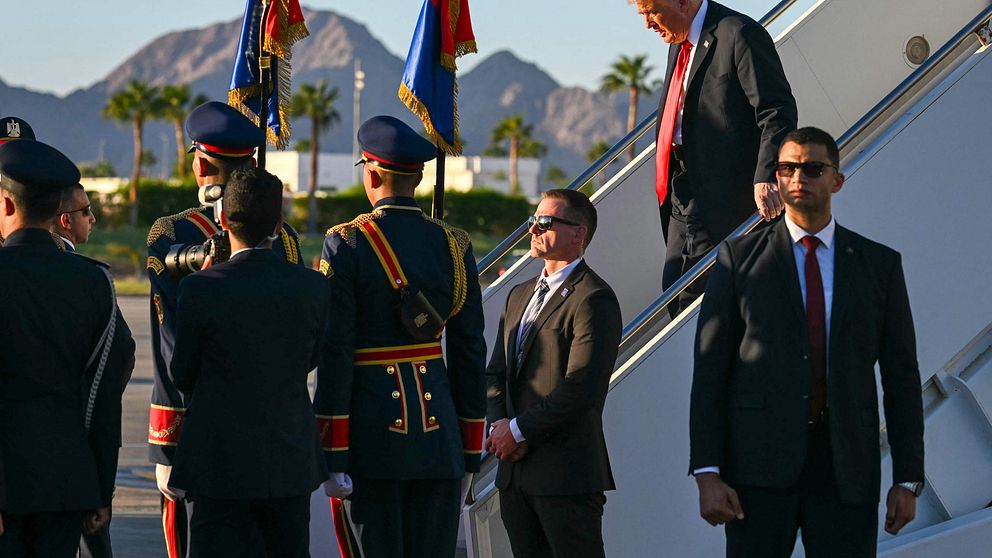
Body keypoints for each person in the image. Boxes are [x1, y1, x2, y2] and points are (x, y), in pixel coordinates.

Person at [689, 127, 925, 557]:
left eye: (813, 168)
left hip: (846, 470)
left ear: (837, 180)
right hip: (757, 470)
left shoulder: (878, 265)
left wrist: (907, 478)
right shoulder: (738, 260)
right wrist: (707, 472)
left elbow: (901, 377)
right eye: (787, 168)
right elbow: (710, 371)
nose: (799, 178)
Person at [313, 115, 486, 558]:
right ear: (420, 177)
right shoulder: (454, 243)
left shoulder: (346, 242)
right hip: (440, 440)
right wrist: (469, 450)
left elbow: (336, 350)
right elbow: (469, 350)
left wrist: (333, 451)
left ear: (371, 175)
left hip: (371, 439)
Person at [146, 100, 304, 558]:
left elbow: (171, 343)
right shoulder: (285, 238)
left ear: (200, 164)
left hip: (203, 435)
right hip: (278, 436)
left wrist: (166, 440)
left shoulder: (171, 235)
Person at [166, 167, 329, 557]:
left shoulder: (199, 288)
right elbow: (312, 357)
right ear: (279, 224)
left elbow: (183, 373)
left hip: (218, 461)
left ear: (222, 220)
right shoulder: (313, 286)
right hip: (287, 459)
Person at [0, 139, 135, 557]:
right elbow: (103, 398)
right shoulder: (94, 282)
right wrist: (100, 490)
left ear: (5, 204)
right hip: (67, 483)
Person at [631, 0, 798, 317]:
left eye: (651, 11)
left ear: (682, 2)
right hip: (681, 191)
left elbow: (777, 112)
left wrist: (767, 174)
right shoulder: (678, 41)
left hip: (722, 196)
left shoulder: (739, 33)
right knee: (675, 291)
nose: (648, 23)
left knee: (691, 297)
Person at [485, 189, 622, 558]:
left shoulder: (593, 298)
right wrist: (500, 429)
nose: (533, 229)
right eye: (533, 220)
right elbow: (496, 374)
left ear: (579, 233)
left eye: (545, 222)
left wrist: (517, 431)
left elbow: (581, 388)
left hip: (565, 477)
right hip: (515, 476)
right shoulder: (518, 295)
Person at [51, 183, 96, 250]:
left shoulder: (37, 252)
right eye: (86, 210)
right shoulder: (65, 256)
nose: (93, 219)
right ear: (66, 220)